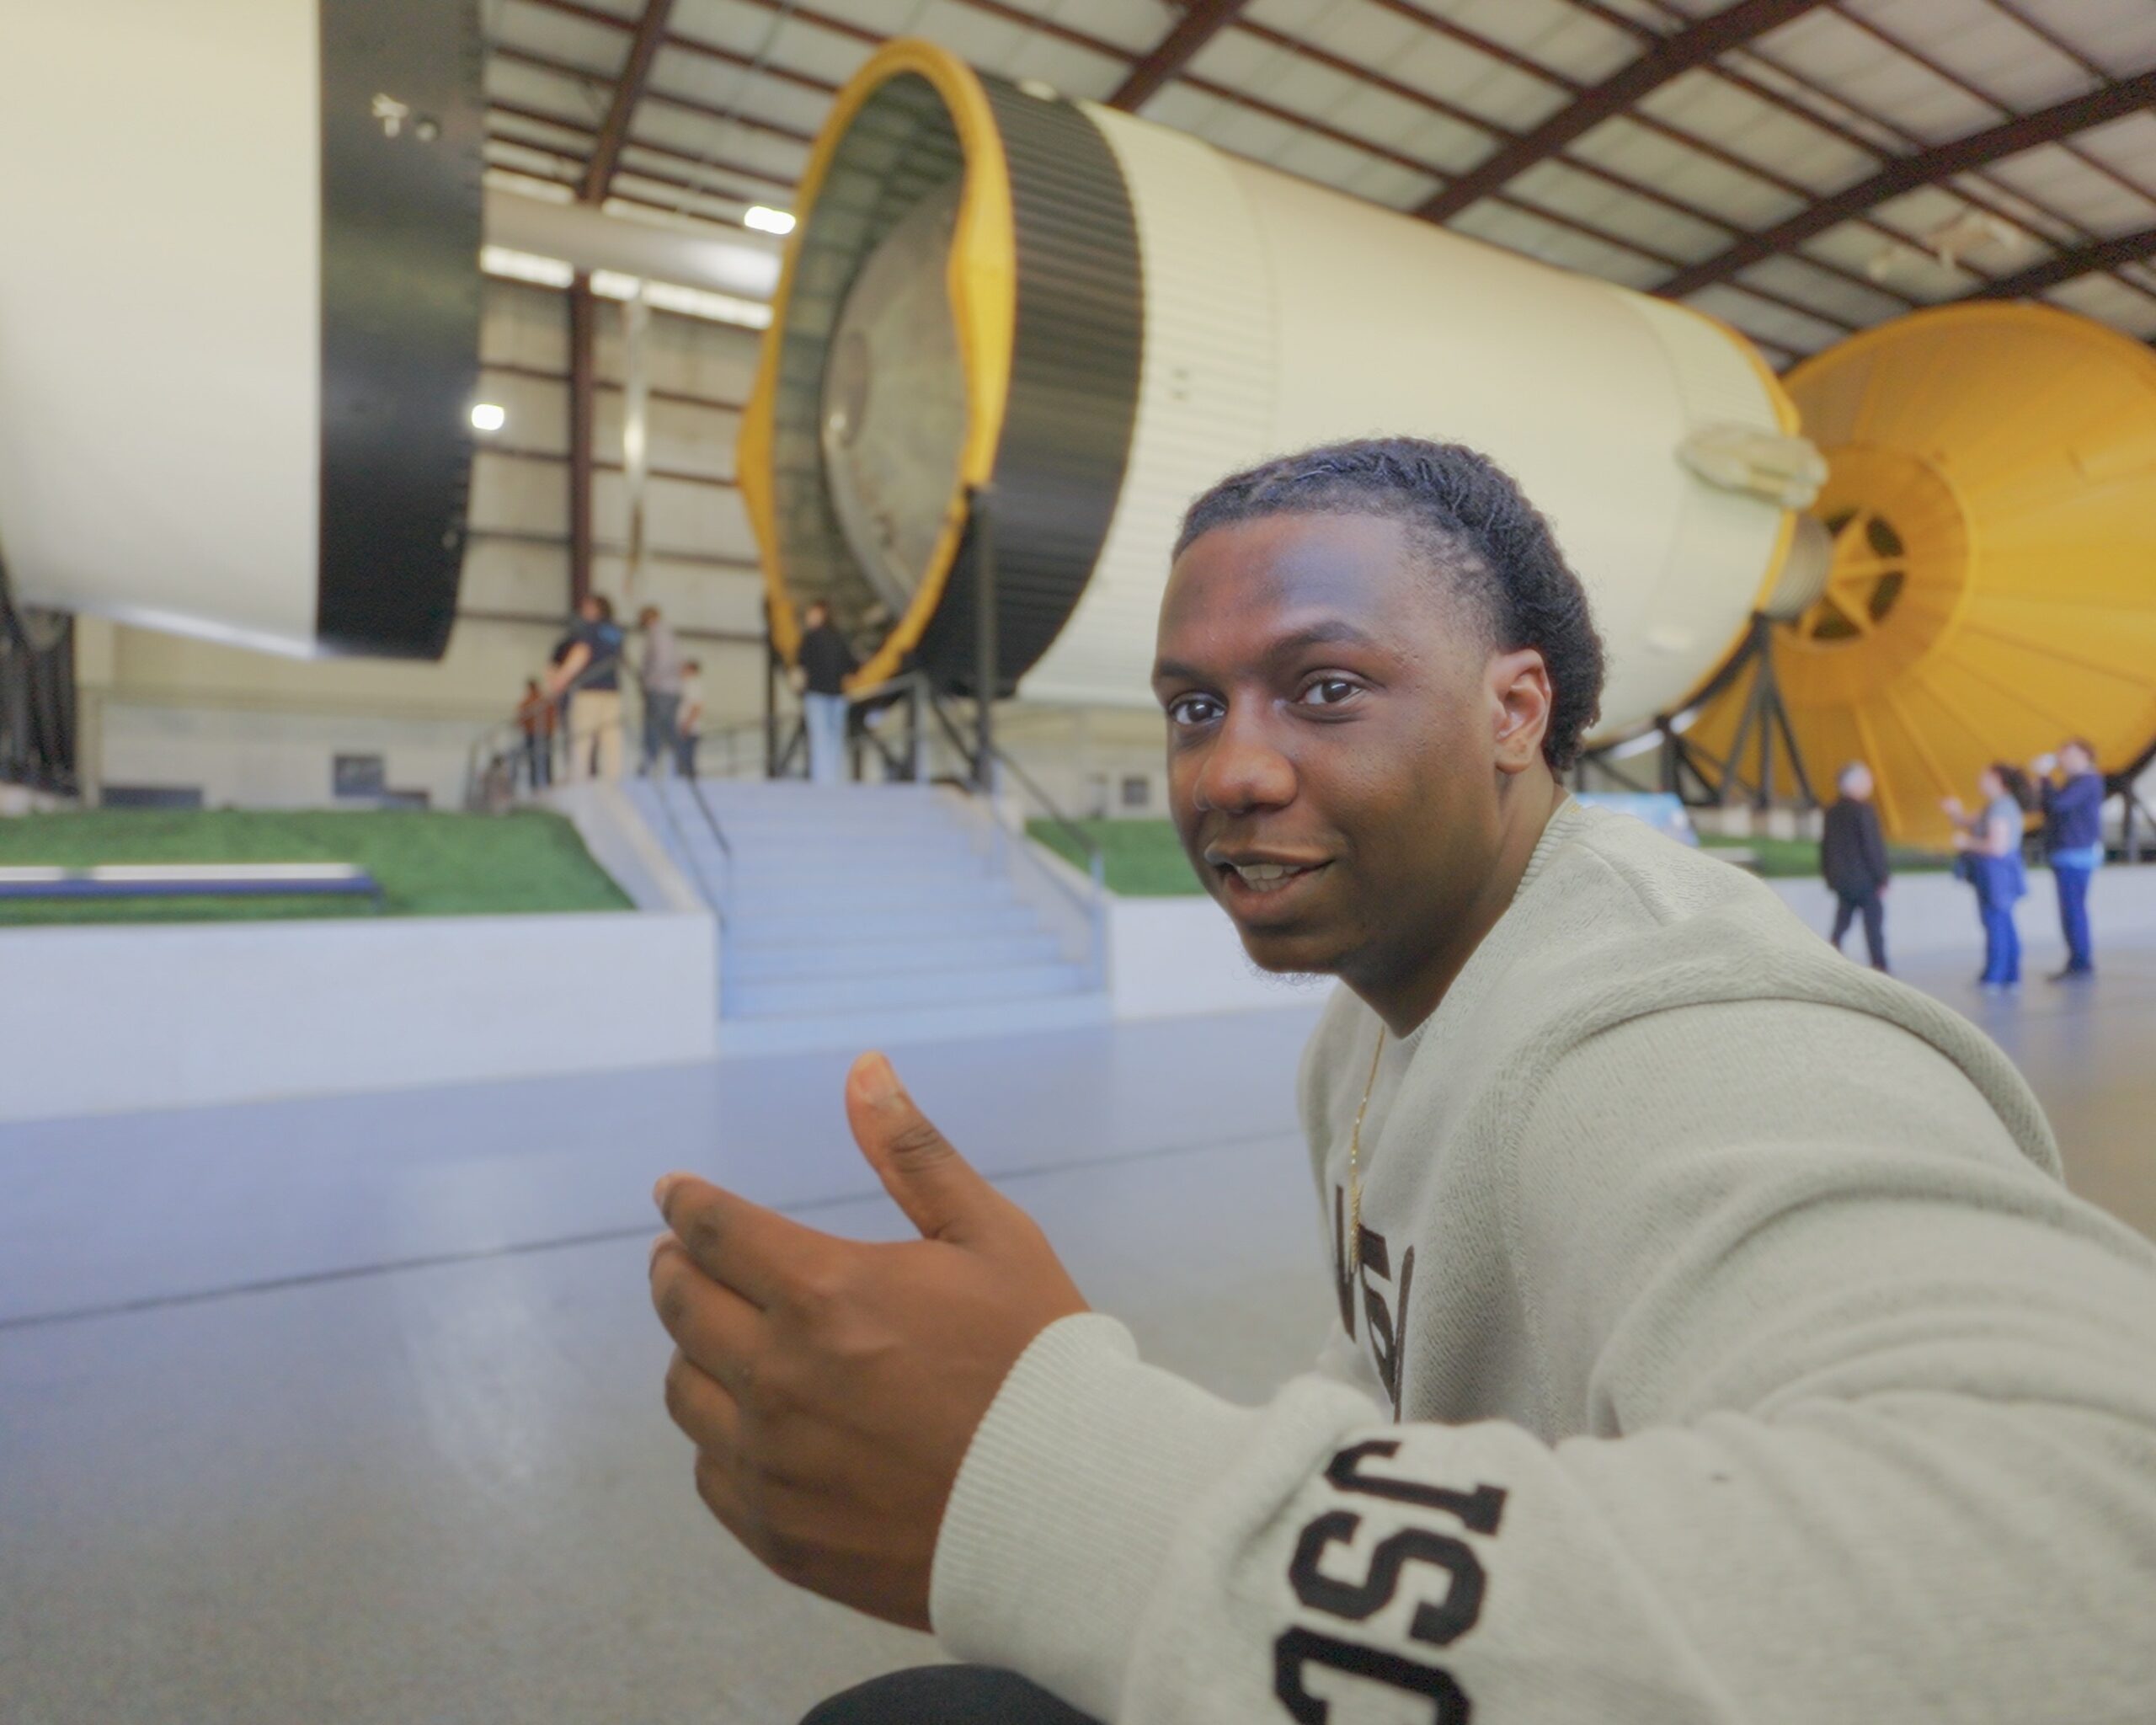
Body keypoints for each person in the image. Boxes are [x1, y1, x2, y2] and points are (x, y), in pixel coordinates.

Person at [647, 439, 2156, 1725]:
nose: (1228, 769)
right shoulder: (1368, 1026)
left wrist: (1064, 1474)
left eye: (1322, 687)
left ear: (1514, 710)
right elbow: (1388, 1401)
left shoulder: (1659, 1027)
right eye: (1194, 705)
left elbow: (2097, 1538)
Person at [1945, 762, 2032, 990]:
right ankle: (2010, 975)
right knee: (2003, 921)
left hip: (1996, 873)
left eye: (1984, 777)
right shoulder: (1996, 806)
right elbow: (1968, 821)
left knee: (1996, 923)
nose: (1979, 781)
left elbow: (1997, 847)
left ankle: (1995, 976)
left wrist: (1966, 843)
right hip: (1998, 873)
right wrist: (1955, 813)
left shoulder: (2001, 807)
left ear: (1996, 779)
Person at [2032, 738, 2105, 980]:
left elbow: (2058, 805)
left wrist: (2044, 778)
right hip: (2068, 854)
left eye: (2070, 754)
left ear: (2086, 756)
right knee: (2072, 911)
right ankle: (2078, 961)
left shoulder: (2087, 781)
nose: (2064, 759)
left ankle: (2080, 963)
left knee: (2073, 912)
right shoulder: (2076, 782)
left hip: (2074, 855)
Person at [1818, 760, 1889, 970]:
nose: (1870, 784)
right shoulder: (1864, 810)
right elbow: (1872, 846)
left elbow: (1825, 847)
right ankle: (1879, 964)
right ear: (1854, 784)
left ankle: (1830, 955)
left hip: (1841, 879)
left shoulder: (1831, 811)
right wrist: (1882, 877)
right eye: (1866, 780)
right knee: (1873, 925)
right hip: (1865, 879)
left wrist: (1829, 876)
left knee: (1842, 921)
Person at [545, 593, 624, 781]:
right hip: (612, 691)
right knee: (610, 738)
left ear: (596, 608)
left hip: (589, 690)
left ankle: (578, 778)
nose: (583, 611)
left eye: (587, 607)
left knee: (582, 738)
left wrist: (561, 679)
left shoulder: (590, 629)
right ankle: (613, 779)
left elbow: (582, 653)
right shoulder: (616, 631)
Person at [796, 599, 855, 787]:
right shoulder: (840, 638)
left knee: (819, 739)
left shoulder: (810, 638)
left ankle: (822, 781)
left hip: (817, 696)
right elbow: (851, 666)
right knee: (834, 740)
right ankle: (834, 780)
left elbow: (801, 666)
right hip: (838, 696)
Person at [637, 604, 685, 777]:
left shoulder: (658, 633)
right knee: (668, 728)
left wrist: (649, 682)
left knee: (655, 728)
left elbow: (663, 661)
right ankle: (672, 768)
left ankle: (652, 766)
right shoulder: (667, 632)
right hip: (670, 689)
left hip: (661, 689)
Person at [514, 676, 555, 791]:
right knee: (545, 757)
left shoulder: (530, 702)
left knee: (535, 758)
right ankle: (547, 781)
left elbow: (521, 719)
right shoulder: (543, 700)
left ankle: (535, 783)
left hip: (534, 734)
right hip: (543, 733)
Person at [675, 658, 704, 780]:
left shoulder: (694, 685)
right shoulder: (684, 684)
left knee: (686, 762)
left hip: (688, 729)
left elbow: (696, 707)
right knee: (681, 761)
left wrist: (687, 724)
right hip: (683, 727)